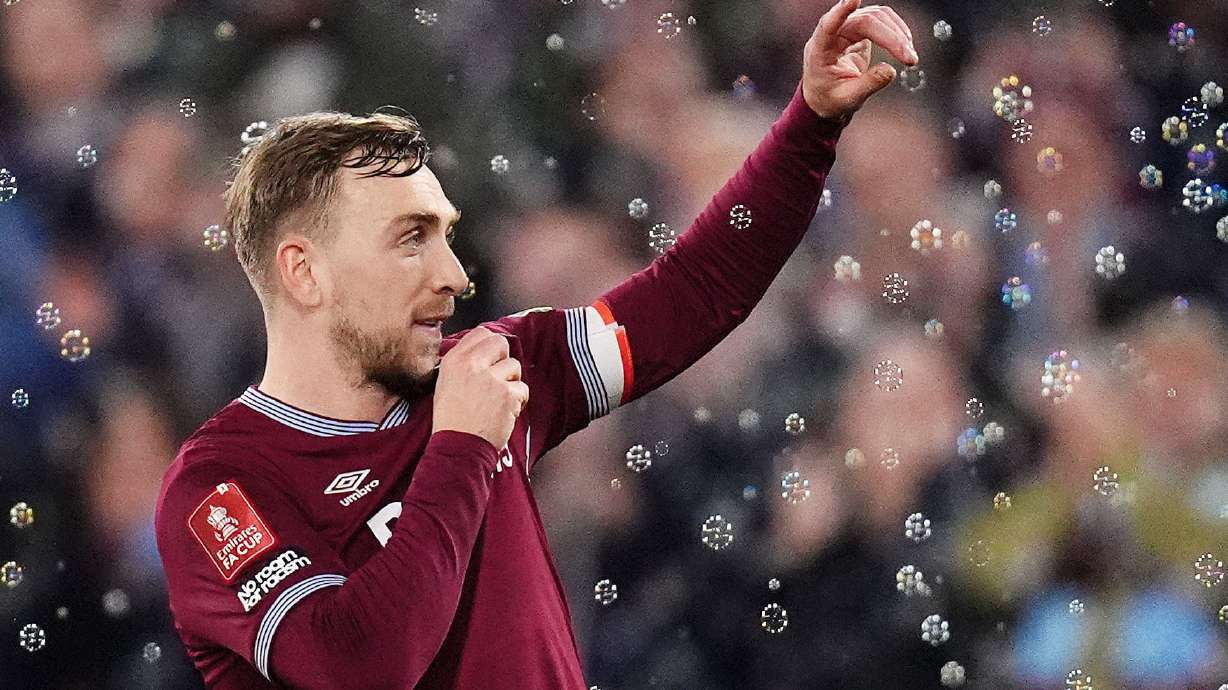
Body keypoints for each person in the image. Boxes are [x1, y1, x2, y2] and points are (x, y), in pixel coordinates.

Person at [152, 0, 917, 687]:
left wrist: (810, 123)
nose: (454, 275)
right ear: (304, 272)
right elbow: (359, 664)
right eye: (410, 240)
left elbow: (696, 291)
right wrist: (461, 449)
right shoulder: (221, 487)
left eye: (446, 236)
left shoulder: (492, 369)